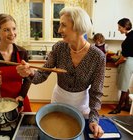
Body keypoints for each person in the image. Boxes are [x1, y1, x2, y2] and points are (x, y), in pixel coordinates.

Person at [16, 6, 106, 138]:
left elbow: (96, 92)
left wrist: (93, 119)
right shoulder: (59, 48)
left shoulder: (98, 56)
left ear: (77, 26)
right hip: (59, 99)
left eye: (63, 25)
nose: (59, 30)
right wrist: (30, 73)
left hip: (82, 104)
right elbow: (42, 75)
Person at [0, 13, 31, 112]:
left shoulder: (22, 52)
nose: (12, 33)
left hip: (19, 99)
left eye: (14, 29)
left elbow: (28, 78)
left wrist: (22, 96)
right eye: (6, 30)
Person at [108, 18, 133, 114]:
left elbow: (124, 58)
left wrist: (116, 63)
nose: (118, 29)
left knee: (123, 87)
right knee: (125, 85)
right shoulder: (131, 35)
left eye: (120, 27)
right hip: (130, 61)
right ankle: (126, 105)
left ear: (126, 27)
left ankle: (118, 109)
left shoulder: (129, 39)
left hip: (128, 62)